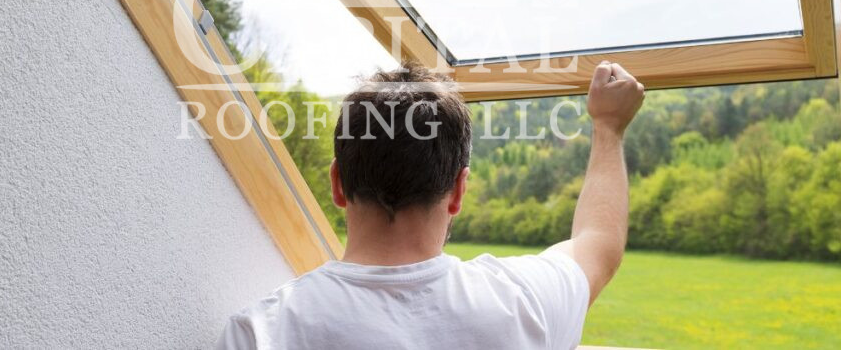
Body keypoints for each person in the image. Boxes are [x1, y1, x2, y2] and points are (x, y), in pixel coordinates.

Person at [218, 60, 645, 349]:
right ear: (459, 191)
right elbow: (599, 244)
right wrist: (608, 127)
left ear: (337, 184)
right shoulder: (521, 302)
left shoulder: (262, 333)